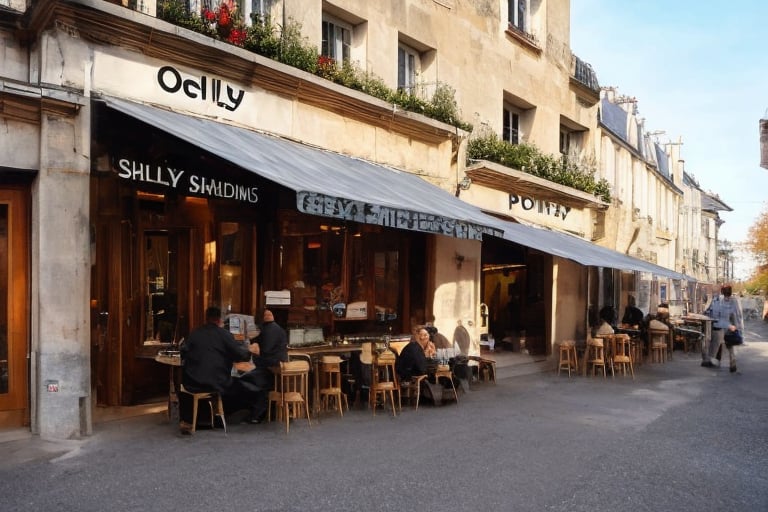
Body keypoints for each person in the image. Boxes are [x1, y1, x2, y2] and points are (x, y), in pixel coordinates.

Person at [180, 306, 260, 433]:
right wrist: (251, 350)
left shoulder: (195, 333)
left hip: (191, 383)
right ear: (219, 320)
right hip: (215, 382)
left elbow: (183, 351)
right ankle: (234, 416)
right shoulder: (224, 335)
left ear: (206, 319)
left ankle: (205, 416)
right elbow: (240, 355)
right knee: (243, 386)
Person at [239, 309, 288, 423]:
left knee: (254, 379)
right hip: (277, 364)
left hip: (271, 365)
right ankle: (256, 413)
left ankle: (256, 414)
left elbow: (265, 350)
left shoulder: (267, 329)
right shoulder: (276, 328)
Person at [703, 285, 744, 372]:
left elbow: (714, 313)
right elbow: (737, 314)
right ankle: (732, 364)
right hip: (730, 326)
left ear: (722, 291)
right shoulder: (734, 300)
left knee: (716, 344)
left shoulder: (719, 300)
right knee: (729, 345)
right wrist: (737, 327)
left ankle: (712, 361)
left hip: (721, 326)